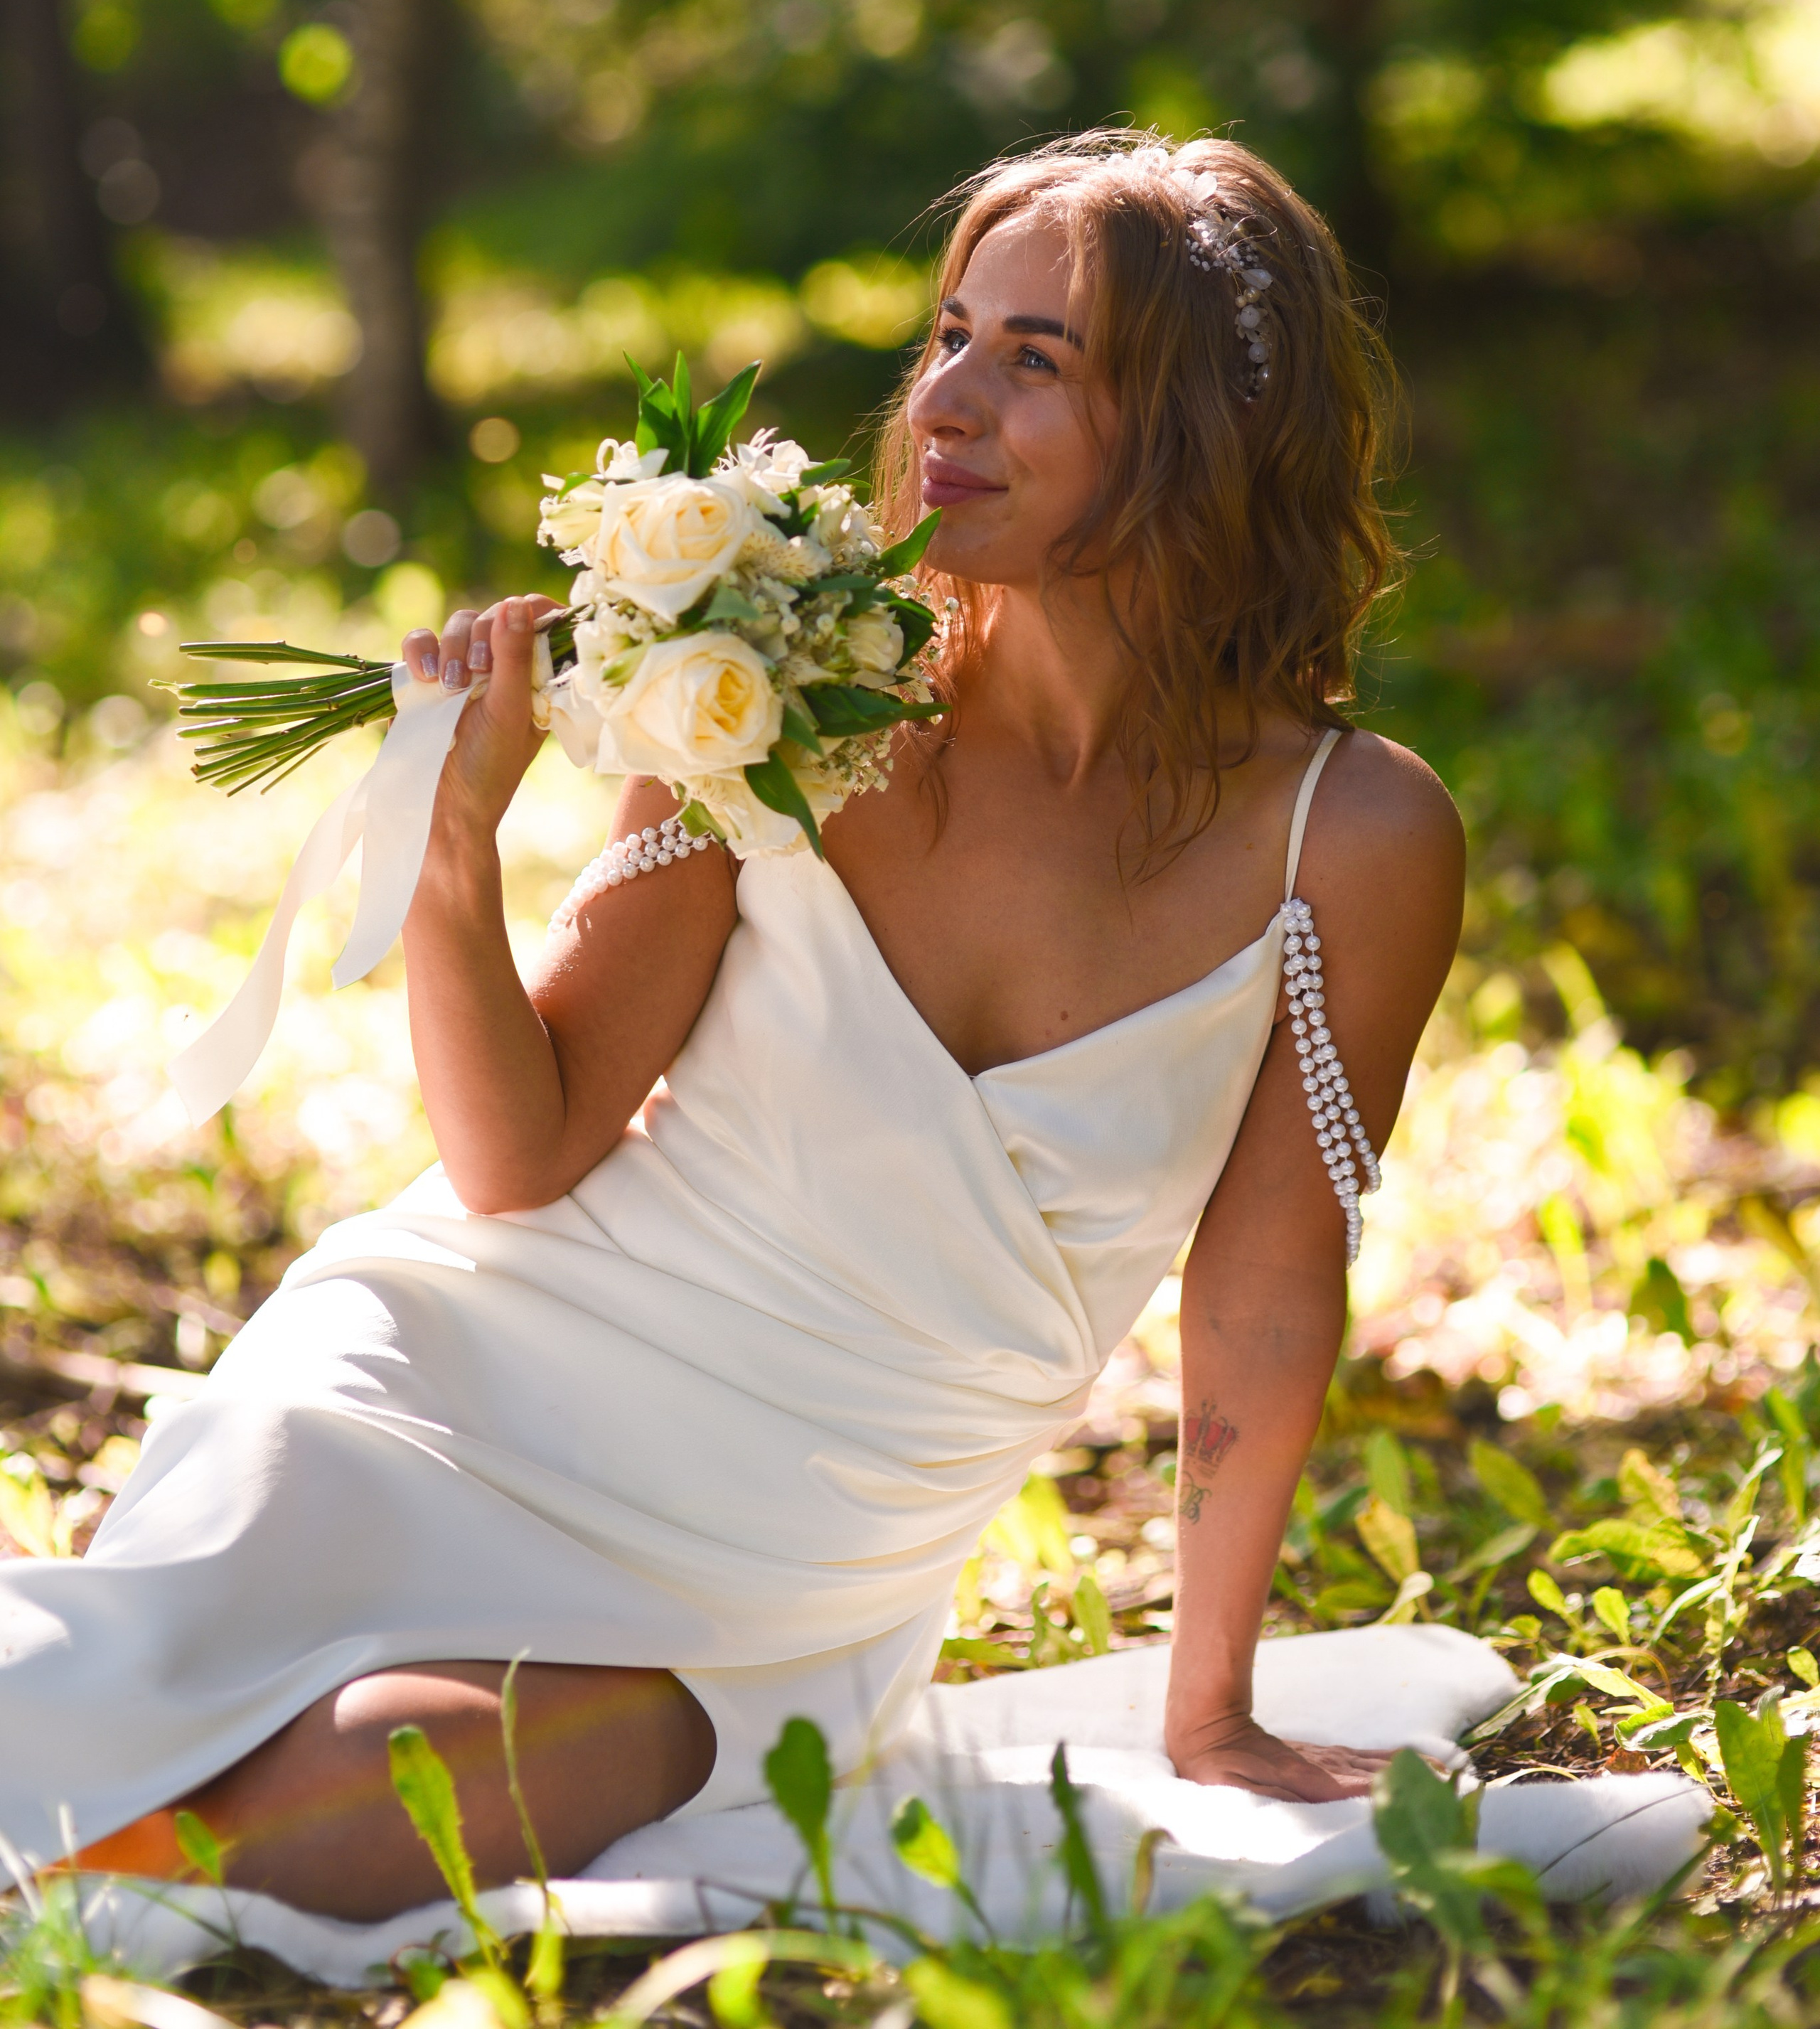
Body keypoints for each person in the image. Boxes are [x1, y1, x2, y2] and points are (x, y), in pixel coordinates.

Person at [0, 132, 1462, 1922]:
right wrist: (455, 850)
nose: (942, 399)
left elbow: (1260, 1290)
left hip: (788, 1564)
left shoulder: (1352, 838)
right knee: (129, 1709)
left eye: (1034, 358)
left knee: (381, 1783)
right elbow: (522, 1151)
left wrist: (1209, 1700)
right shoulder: (777, 692)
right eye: (946, 335)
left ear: (1203, 434)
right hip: (468, 1381)